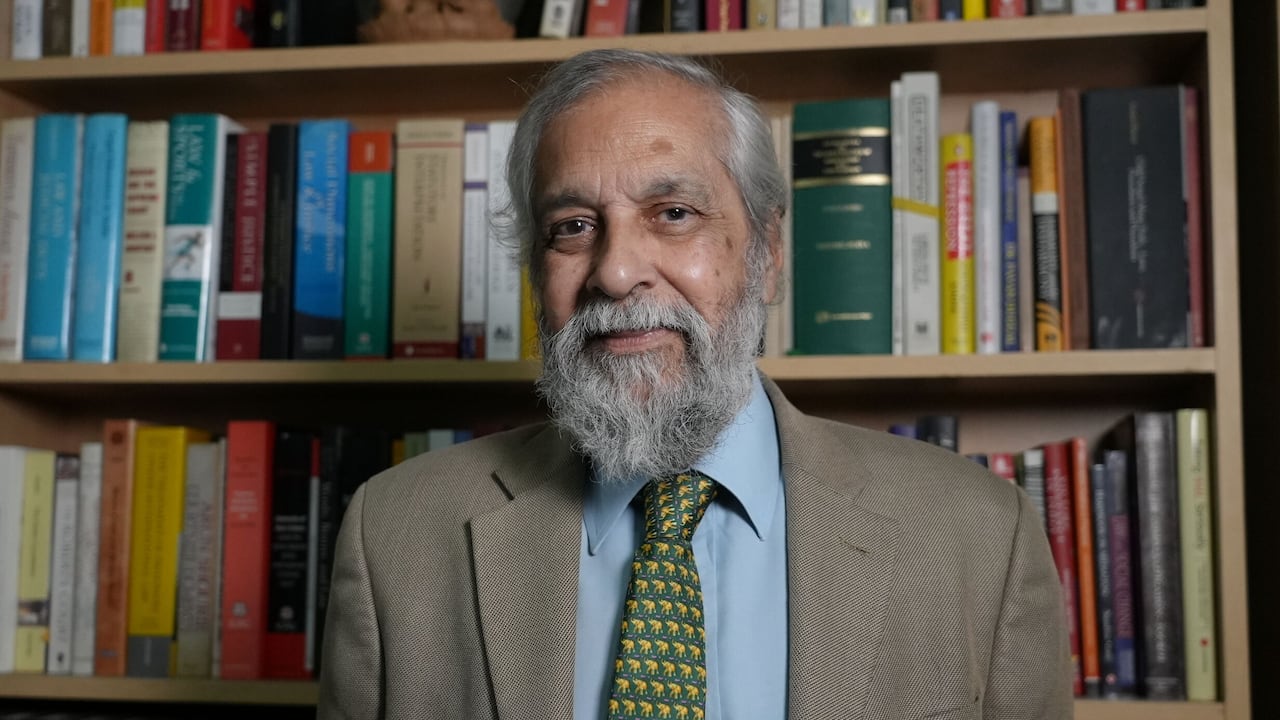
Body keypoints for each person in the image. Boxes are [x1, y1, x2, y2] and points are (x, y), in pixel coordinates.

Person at [318, 49, 1071, 720]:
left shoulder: (977, 535)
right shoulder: (395, 537)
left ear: (767, 253)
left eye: (673, 214)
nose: (615, 272)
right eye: (573, 227)